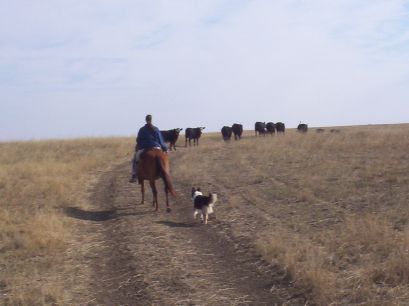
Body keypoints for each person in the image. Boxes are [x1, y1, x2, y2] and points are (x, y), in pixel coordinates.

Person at [129, 114, 168, 183]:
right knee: (164, 157)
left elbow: (138, 140)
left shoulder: (142, 129)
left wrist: (140, 145)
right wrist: (165, 148)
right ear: (151, 119)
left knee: (135, 159)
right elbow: (160, 140)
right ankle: (165, 171)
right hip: (157, 147)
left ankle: (134, 175)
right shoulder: (156, 129)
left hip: (145, 148)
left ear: (146, 120)